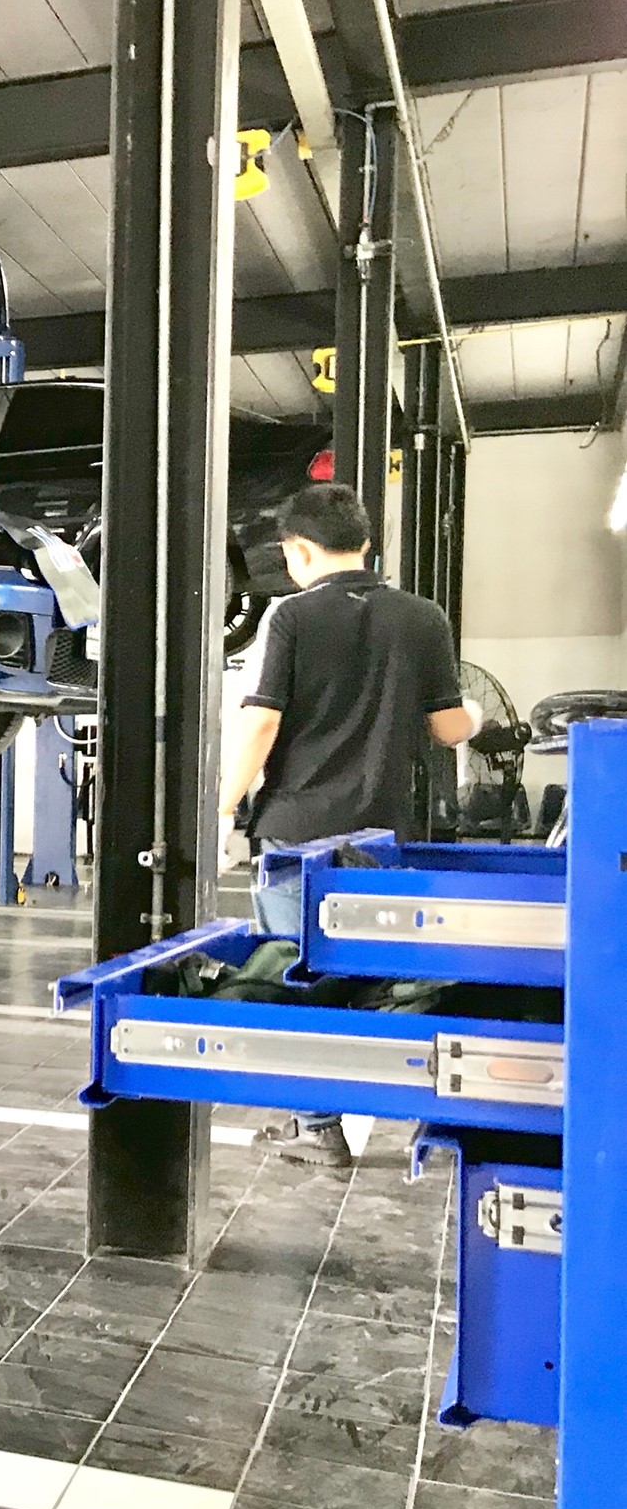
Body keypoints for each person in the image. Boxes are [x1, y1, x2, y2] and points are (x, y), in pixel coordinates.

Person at [218, 481, 478, 1165]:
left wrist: (220, 807)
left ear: (298, 550)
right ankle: (384, 1091)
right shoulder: (423, 618)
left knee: (300, 973)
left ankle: (316, 1123)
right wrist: (476, 719)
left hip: (297, 831)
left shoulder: (290, 617)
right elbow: (450, 727)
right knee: (374, 971)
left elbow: (261, 722)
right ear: (365, 544)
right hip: (384, 837)